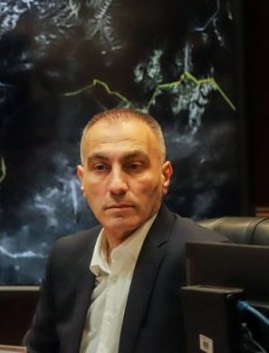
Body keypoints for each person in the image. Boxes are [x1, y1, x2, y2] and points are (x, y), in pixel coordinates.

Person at [23, 108, 227, 353]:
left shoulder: (203, 261)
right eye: (100, 167)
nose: (117, 185)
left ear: (164, 176)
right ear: (82, 180)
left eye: (134, 166)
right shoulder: (65, 255)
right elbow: (39, 348)